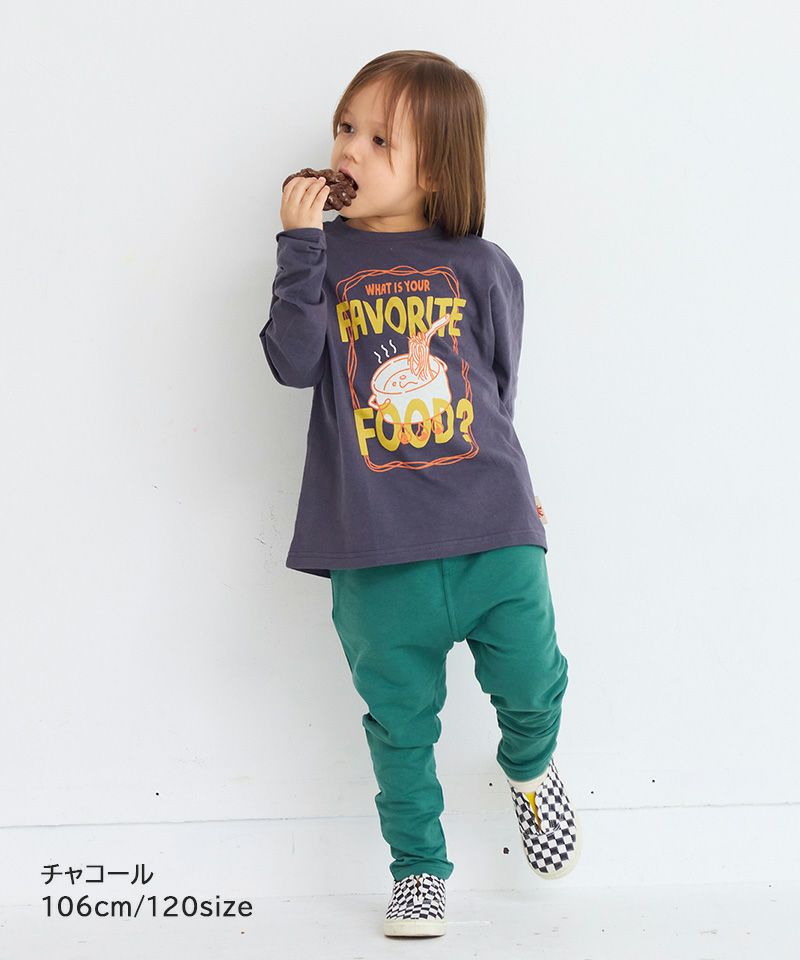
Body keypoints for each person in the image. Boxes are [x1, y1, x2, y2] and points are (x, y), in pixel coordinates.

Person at [259, 49, 582, 938]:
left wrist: (521, 493)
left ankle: (530, 766)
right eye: (345, 128)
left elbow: (497, 389)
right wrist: (298, 248)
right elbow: (291, 364)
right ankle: (418, 871)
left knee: (532, 678)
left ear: (435, 170)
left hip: (492, 525)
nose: (348, 151)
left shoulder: (482, 265)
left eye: (379, 140)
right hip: (374, 543)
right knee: (400, 725)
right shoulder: (322, 258)